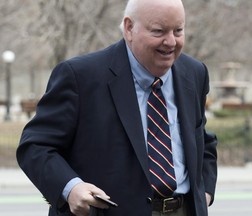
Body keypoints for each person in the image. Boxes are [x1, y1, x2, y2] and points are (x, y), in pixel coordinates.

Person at [16, 0, 217, 215]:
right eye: (159, 31)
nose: (171, 42)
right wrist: (71, 187)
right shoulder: (80, 76)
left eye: (178, 31)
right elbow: (35, 146)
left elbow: (202, 141)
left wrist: (204, 191)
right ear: (129, 28)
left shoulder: (194, 73)